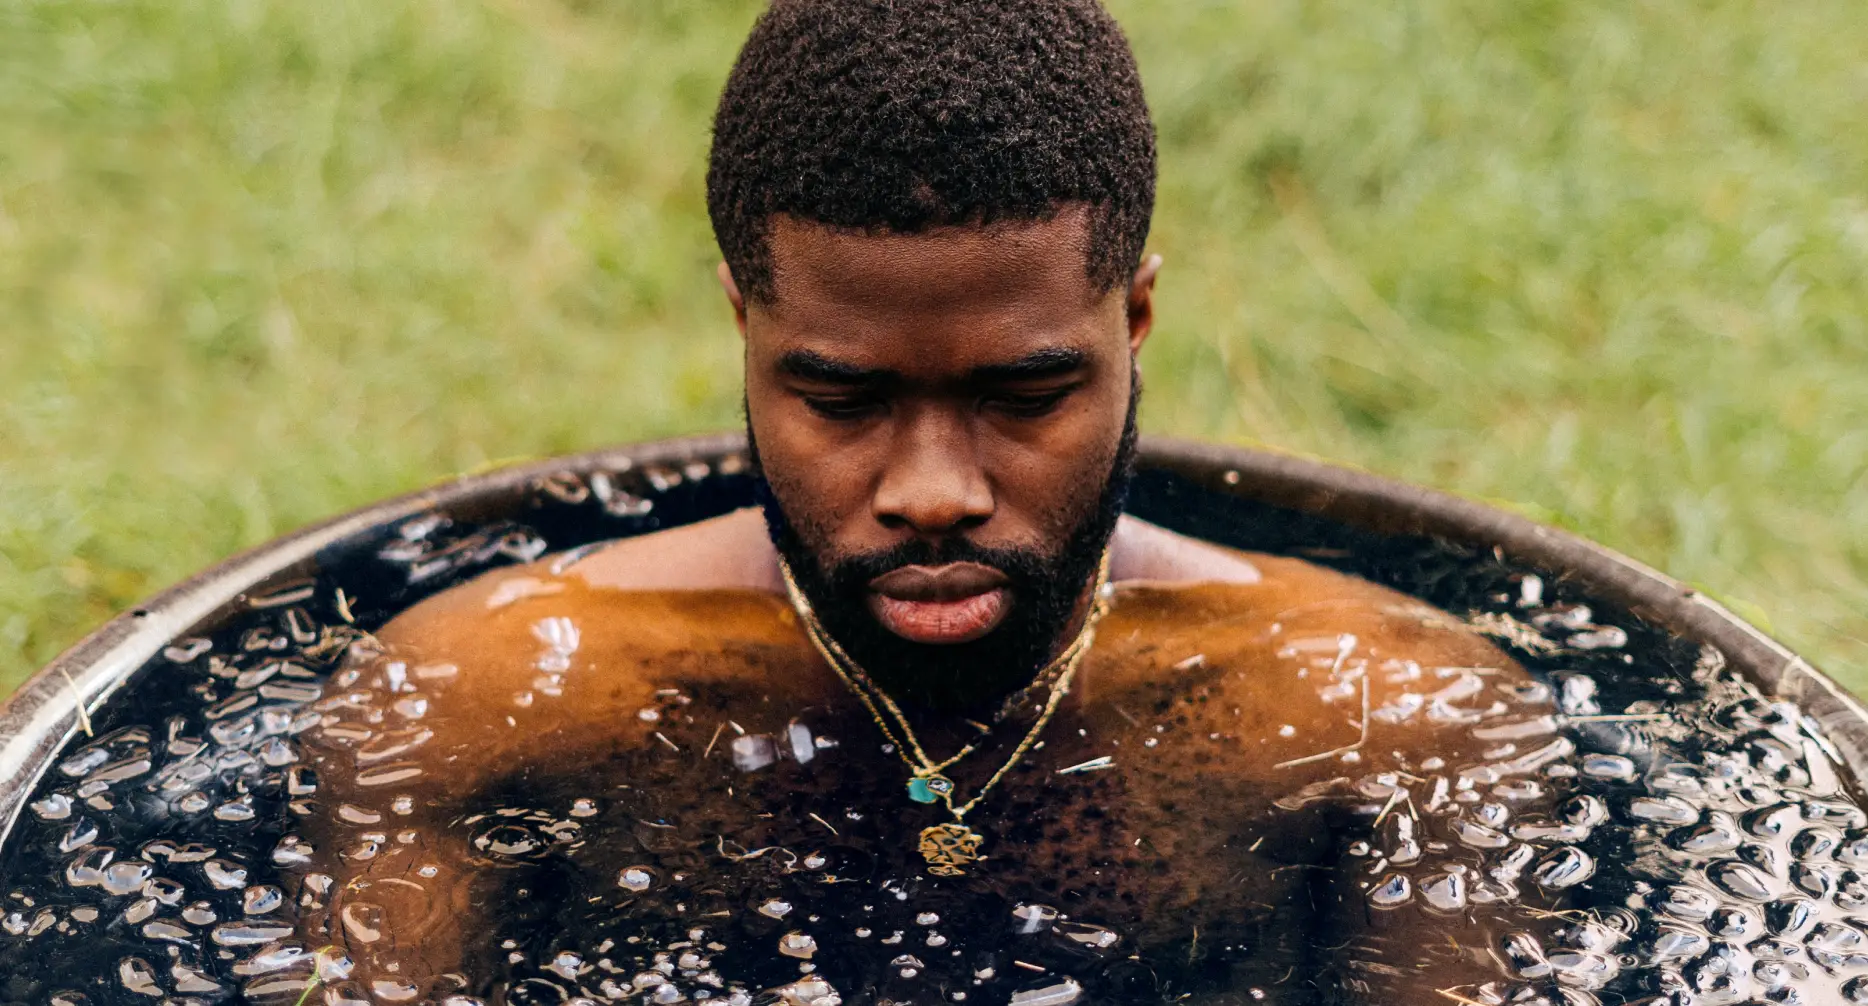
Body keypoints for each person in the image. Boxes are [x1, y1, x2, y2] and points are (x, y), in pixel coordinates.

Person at [298, 2, 1559, 1002]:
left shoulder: (1373, 719)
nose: (933, 494)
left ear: (1133, 320)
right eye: (841, 401)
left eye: (1025, 394)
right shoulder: (489, 703)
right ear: (746, 326)